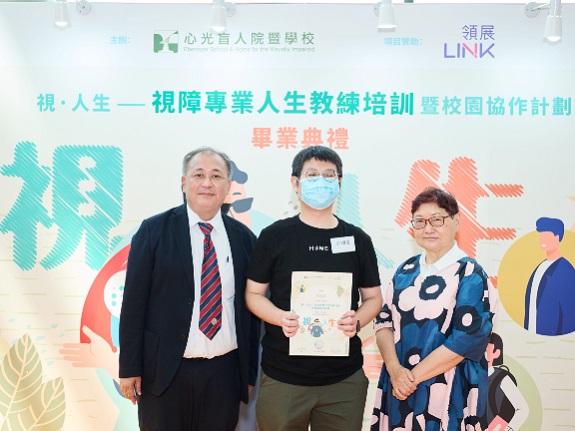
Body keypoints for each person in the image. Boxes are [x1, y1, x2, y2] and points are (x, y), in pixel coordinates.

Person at [119, 147, 259, 431]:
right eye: (198, 175)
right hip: (165, 371)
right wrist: (130, 368)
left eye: (216, 176)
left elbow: (250, 312)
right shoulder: (154, 230)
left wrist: (248, 372)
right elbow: (134, 304)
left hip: (224, 372)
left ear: (228, 186)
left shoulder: (244, 239)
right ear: (184, 183)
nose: (207, 183)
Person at [245, 146, 383, 431]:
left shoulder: (357, 239)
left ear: (339, 183)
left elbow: (373, 298)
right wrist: (278, 317)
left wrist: (357, 319)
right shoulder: (274, 236)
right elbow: (253, 294)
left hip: (343, 380)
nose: (321, 181)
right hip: (283, 376)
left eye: (329, 175)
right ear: (295, 183)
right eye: (312, 175)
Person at [371, 187, 498, 431]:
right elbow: (383, 322)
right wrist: (396, 371)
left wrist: (410, 379)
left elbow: (464, 341)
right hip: (399, 387)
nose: (428, 228)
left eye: (437, 220)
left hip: (450, 390)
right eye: (420, 222)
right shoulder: (405, 271)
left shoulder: (470, 274)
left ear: (456, 221)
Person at [524, 216, 575, 336]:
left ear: (558, 238)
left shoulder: (566, 270)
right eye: (541, 236)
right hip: (533, 334)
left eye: (547, 236)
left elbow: (569, 313)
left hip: (553, 340)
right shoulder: (540, 267)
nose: (543, 240)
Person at [486, 333, 528, 431]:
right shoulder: (470, 376)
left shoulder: (502, 378)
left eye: (486, 348)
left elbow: (522, 408)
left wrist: (508, 429)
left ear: (496, 353)